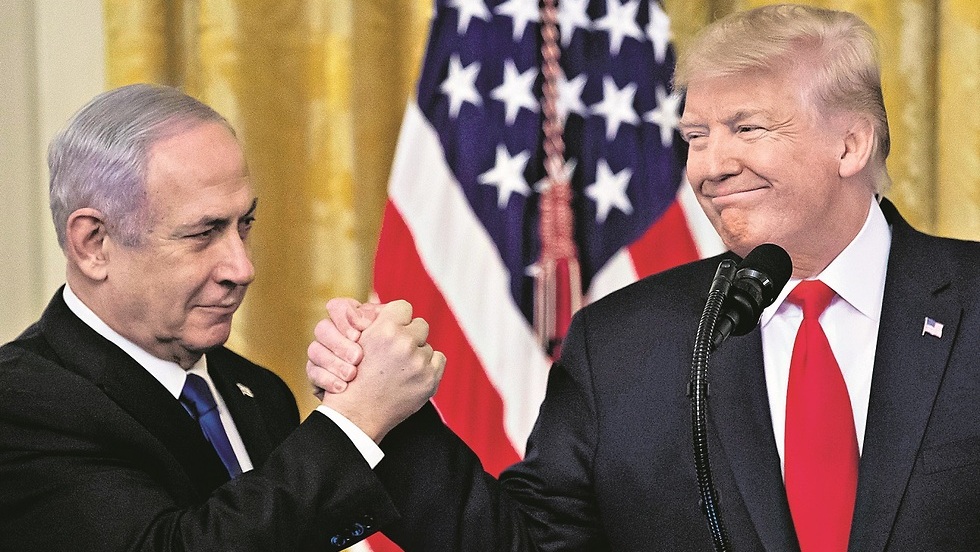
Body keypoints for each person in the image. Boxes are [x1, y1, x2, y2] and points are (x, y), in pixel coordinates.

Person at [308, 4, 980, 551]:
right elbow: (528, 544)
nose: (709, 167)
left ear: (850, 143)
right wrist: (389, 418)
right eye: (694, 136)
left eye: (746, 127)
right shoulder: (624, 343)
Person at [0, 83, 445, 552]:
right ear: (94, 244)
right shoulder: (22, 405)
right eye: (204, 233)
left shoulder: (259, 392)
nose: (243, 268)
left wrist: (377, 402)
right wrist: (355, 420)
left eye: (244, 225)